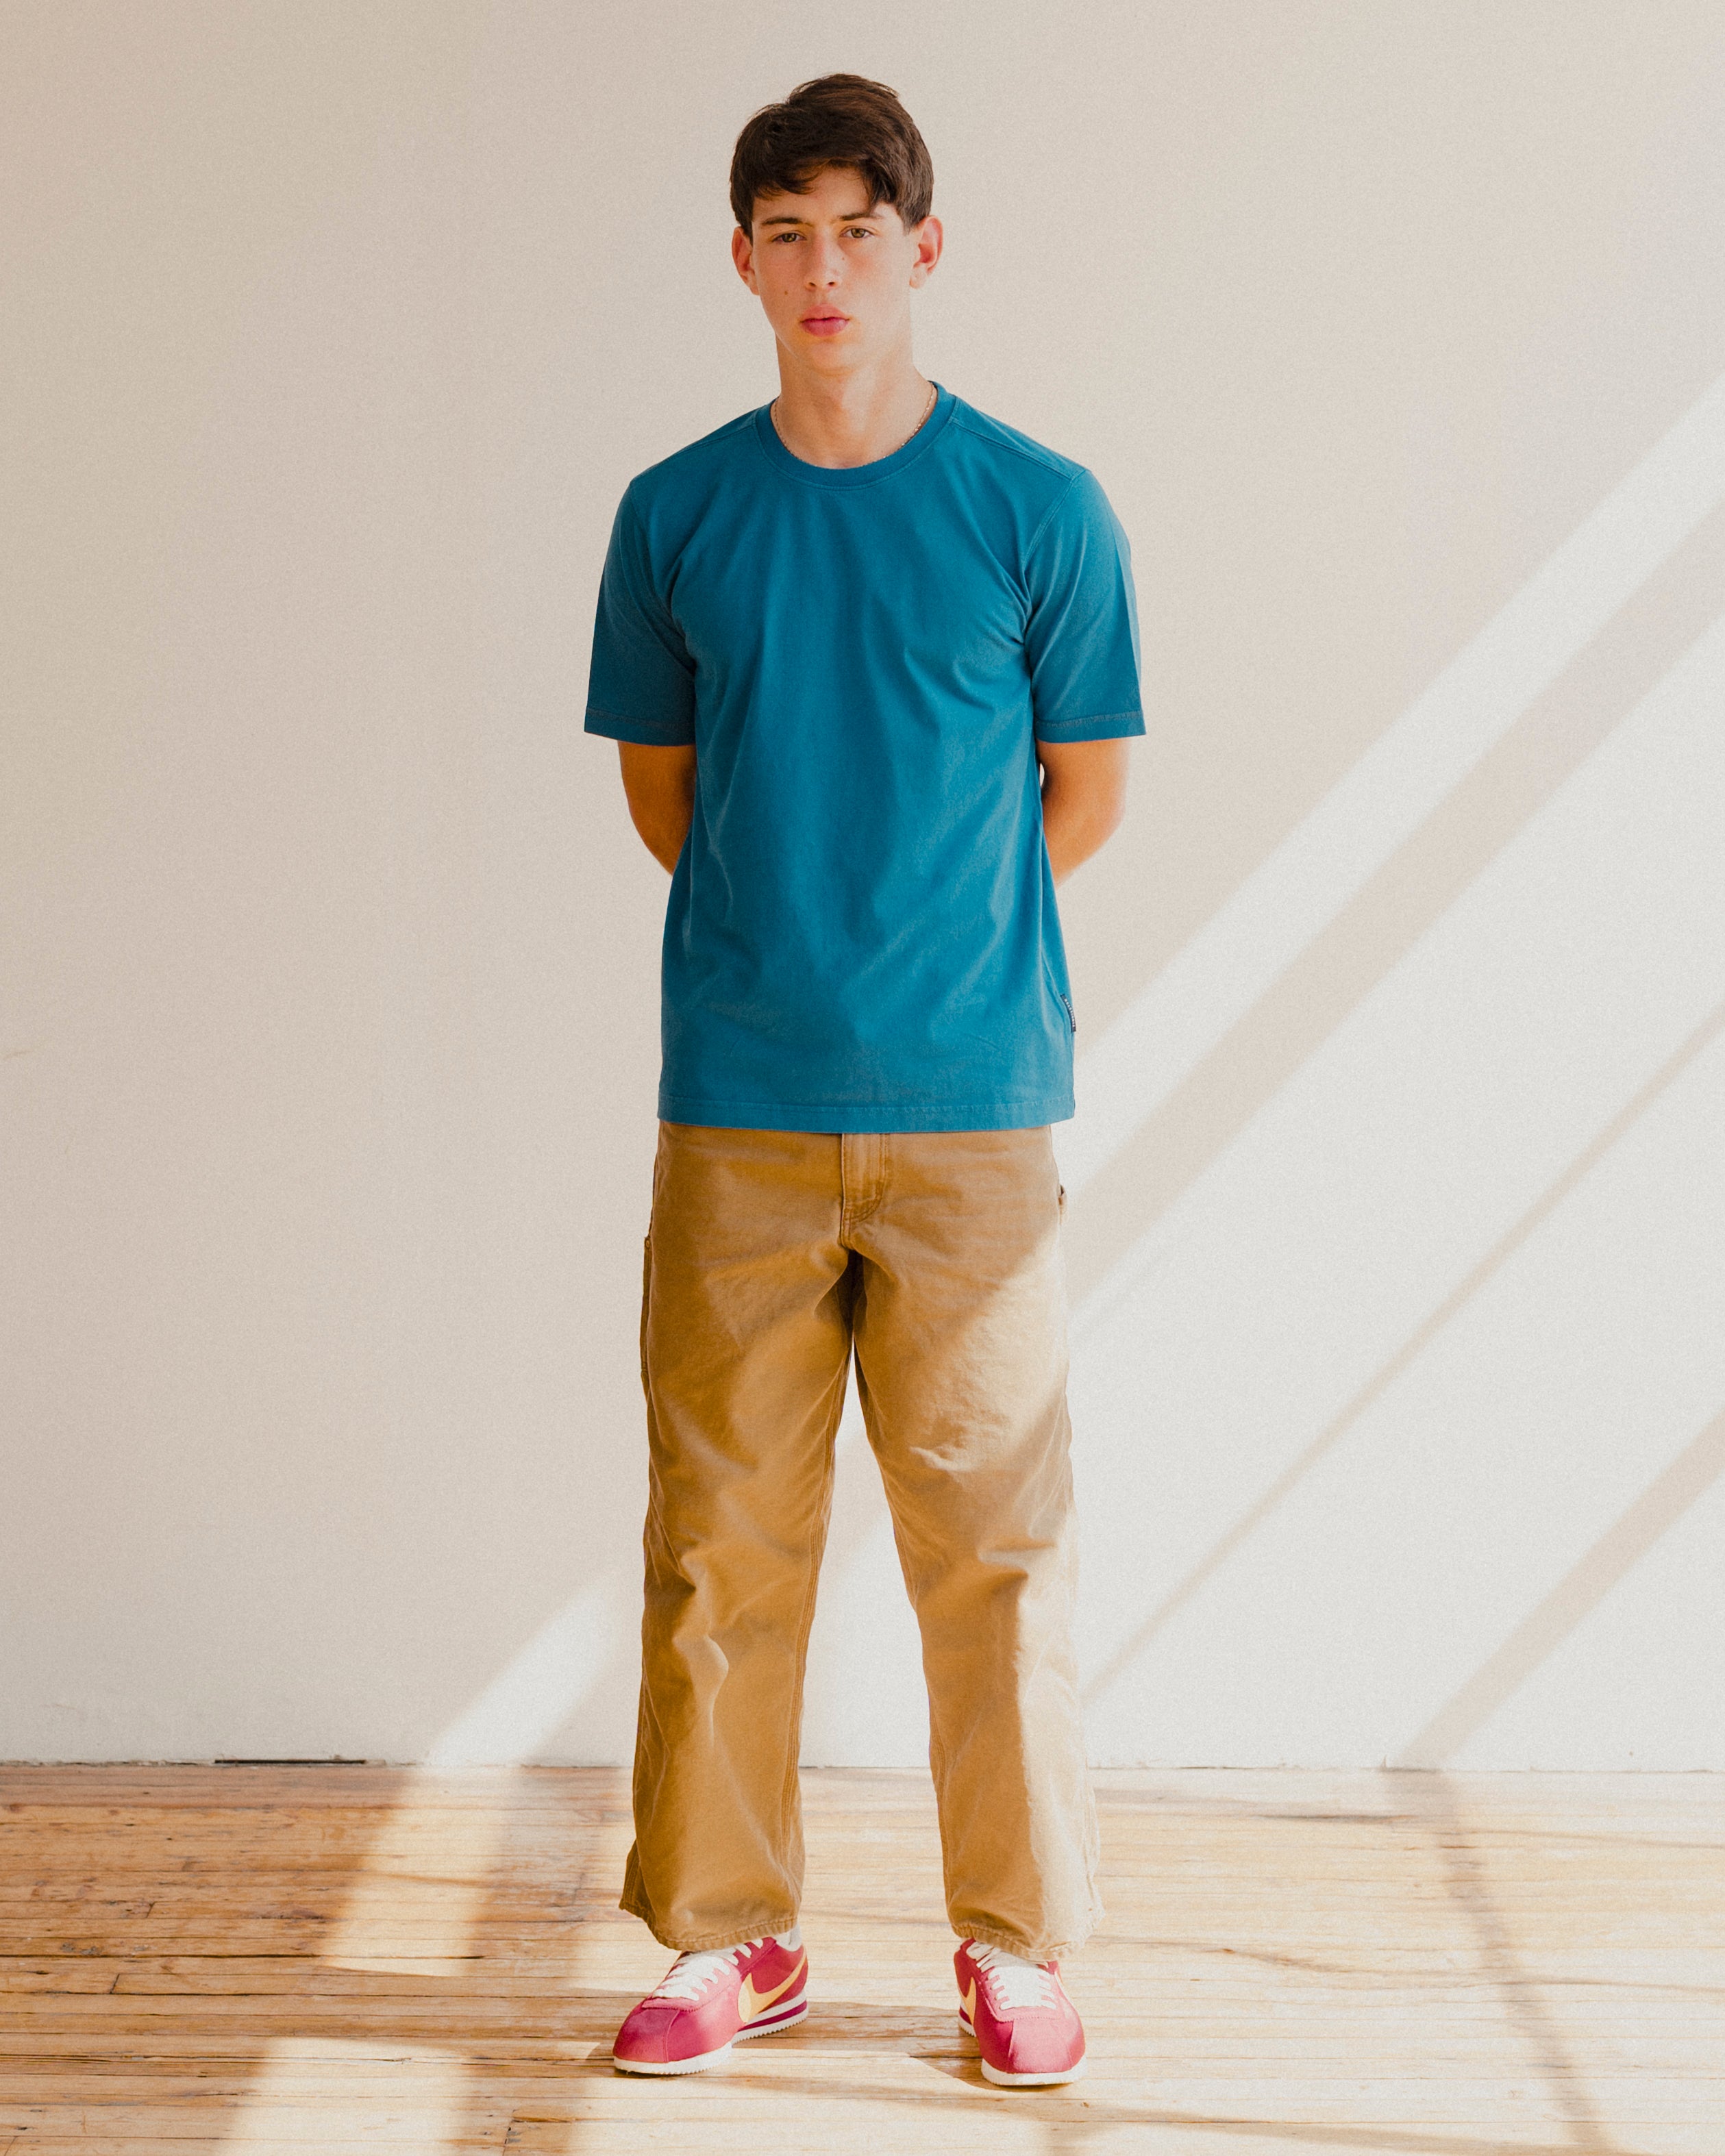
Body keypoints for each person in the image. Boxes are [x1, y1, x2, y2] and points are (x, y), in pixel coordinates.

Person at [584, 72, 1143, 2087]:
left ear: (925, 249)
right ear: (742, 262)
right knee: (720, 1537)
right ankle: (730, 1935)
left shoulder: (1040, 510)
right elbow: (670, 802)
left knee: (997, 1545)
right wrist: (801, 945)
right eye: (788, 232)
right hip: (737, 1104)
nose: (826, 266)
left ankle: (1017, 1943)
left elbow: (1083, 795)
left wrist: (934, 953)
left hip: (975, 1113)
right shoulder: (676, 515)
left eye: (860, 227)